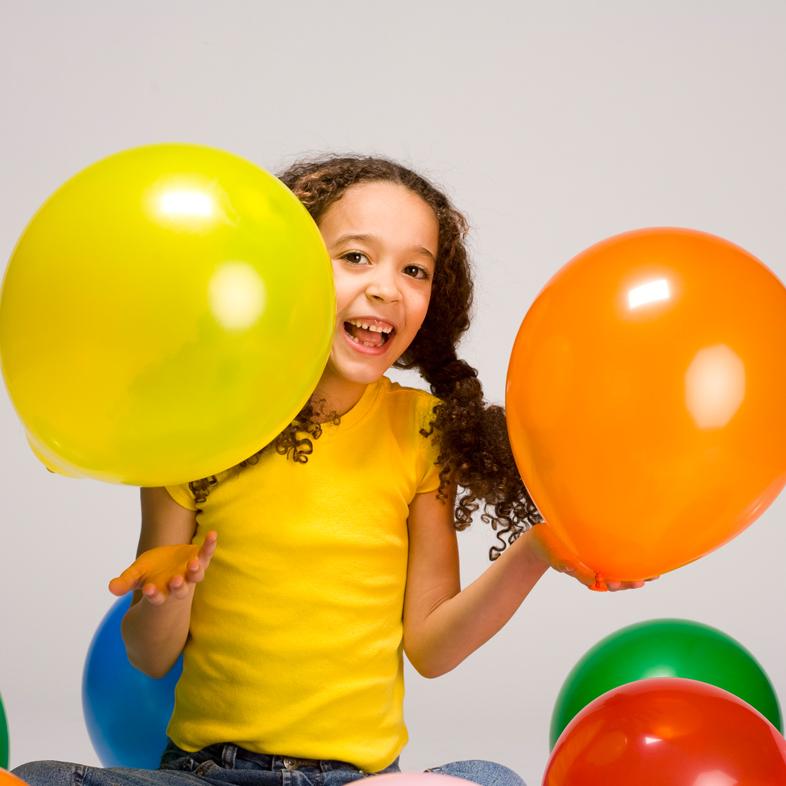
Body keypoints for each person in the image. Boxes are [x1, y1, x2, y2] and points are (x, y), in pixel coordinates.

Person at [13, 155, 645, 786]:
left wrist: (537, 550)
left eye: (415, 270)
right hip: (209, 776)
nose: (386, 288)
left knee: (491, 777)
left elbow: (432, 647)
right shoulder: (201, 424)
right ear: (286, 266)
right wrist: (167, 598)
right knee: (39, 776)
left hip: (355, 781)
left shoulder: (420, 432)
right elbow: (150, 657)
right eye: (356, 257)